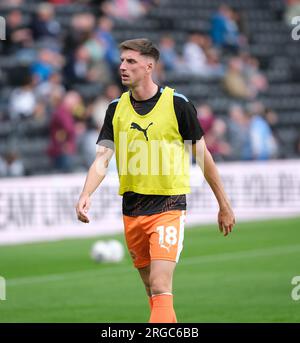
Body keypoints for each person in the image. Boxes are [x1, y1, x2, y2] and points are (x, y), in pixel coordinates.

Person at [75, 38, 235, 323]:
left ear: (149, 66)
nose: (122, 67)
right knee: (152, 291)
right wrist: (86, 193)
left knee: (161, 285)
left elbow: (204, 157)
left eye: (131, 61)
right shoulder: (115, 108)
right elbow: (102, 159)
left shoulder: (177, 104)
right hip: (132, 208)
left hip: (168, 206)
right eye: (122, 61)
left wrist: (224, 204)